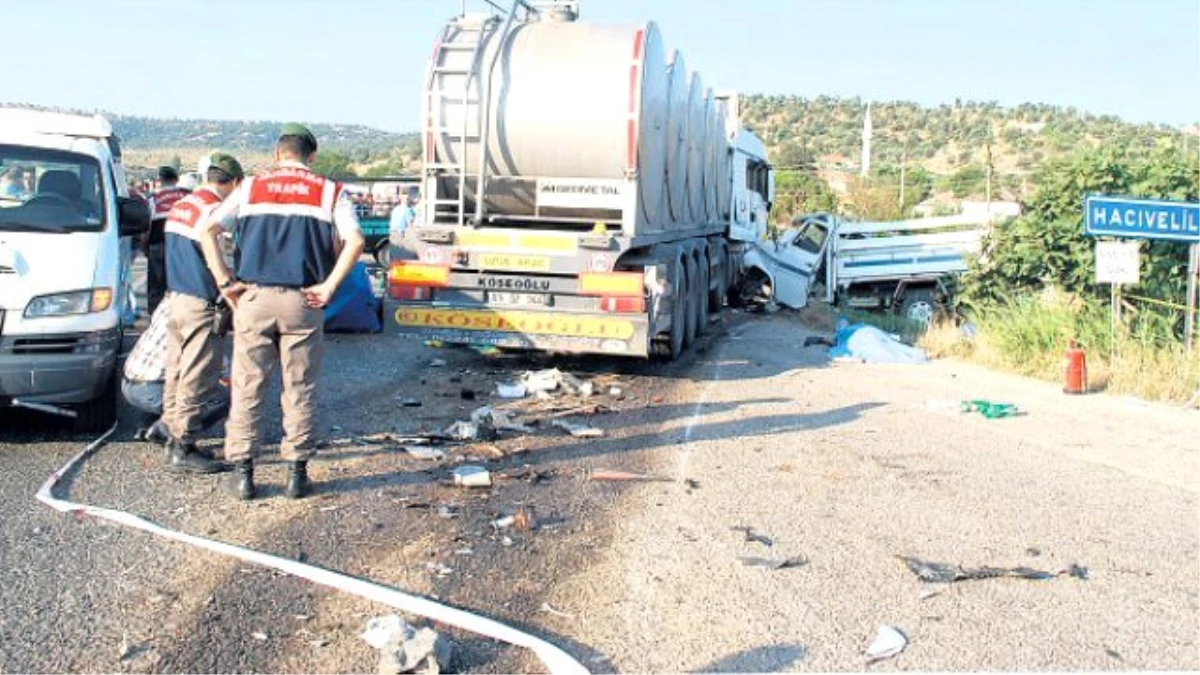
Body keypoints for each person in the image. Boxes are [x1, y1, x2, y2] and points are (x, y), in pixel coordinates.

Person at [200, 123, 365, 500]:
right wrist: (329, 287)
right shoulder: (329, 191)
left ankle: (244, 474)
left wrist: (225, 282)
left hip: (253, 298)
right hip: (303, 301)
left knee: (247, 386)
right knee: (300, 386)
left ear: (278, 154)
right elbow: (355, 240)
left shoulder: (251, 186)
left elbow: (208, 231)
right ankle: (296, 474)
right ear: (312, 156)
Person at [161, 152, 245, 474]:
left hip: (176, 298)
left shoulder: (181, 206)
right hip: (201, 302)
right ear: (235, 183)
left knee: (177, 371)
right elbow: (223, 260)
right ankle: (184, 445)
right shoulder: (215, 212)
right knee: (199, 374)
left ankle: (170, 430)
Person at [121, 295, 229, 456]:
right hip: (152, 389)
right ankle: (167, 432)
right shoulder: (200, 311)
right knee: (221, 398)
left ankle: (145, 425)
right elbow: (213, 360)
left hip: (130, 381)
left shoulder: (172, 298)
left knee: (174, 372)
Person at [146, 166, 191, 316]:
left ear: (160, 180)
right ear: (176, 179)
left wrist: (144, 246)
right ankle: (184, 315)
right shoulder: (187, 195)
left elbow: (146, 225)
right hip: (183, 244)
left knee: (157, 285)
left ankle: (155, 317)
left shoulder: (153, 198)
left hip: (158, 244)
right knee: (183, 284)